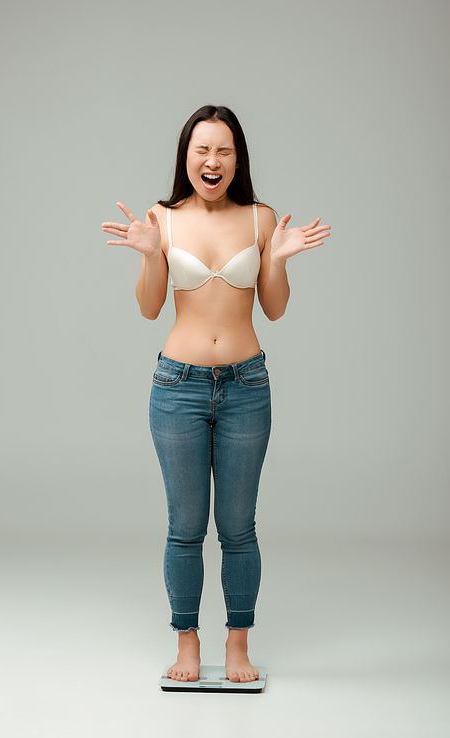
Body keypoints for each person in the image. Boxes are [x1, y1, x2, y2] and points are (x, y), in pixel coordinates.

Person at [102, 105, 330, 684]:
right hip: (177, 386)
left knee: (238, 526)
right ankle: (185, 643)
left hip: (246, 385)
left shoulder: (260, 219)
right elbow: (150, 307)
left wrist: (277, 259)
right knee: (184, 525)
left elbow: (273, 309)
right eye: (202, 150)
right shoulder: (164, 219)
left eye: (224, 151)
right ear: (186, 157)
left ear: (237, 159)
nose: (212, 161)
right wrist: (150, 252)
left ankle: (236, 645)